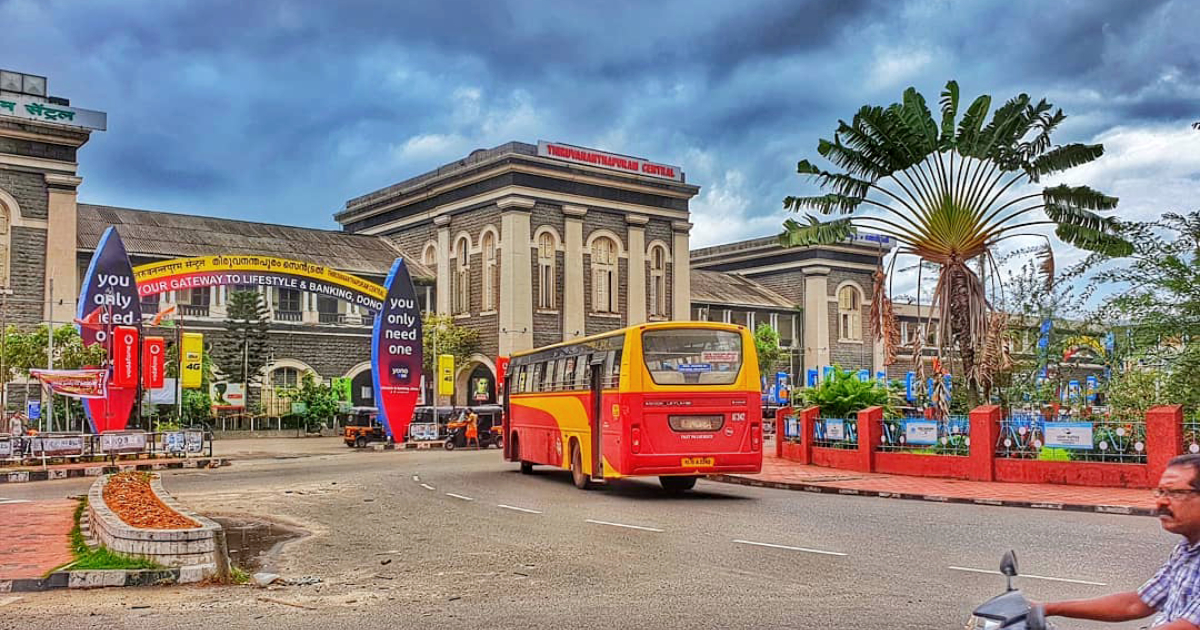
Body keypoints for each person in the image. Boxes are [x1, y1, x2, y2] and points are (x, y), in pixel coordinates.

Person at [1041, 454, 1200, 628]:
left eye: (1176, 493)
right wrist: (1046, 608)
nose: (1162, 501)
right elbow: (1136, 603)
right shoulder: (1186, 549)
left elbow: (1189, 626)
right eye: (1161, 492)